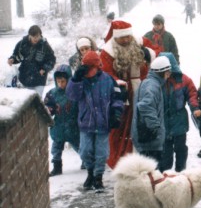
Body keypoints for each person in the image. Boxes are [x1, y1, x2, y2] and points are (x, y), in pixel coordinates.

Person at [100, 20, 156, 169]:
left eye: (128, 37)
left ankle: (139, 156)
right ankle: (121, 159)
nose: (126, 40)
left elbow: (158, 51)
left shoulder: (139, 42)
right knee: (120, 128)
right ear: (115, 37)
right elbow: (106, 73)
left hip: (143, 89)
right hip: (122, 95)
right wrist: (119, 83)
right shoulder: (108, 51)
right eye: (122, 38)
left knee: (142, 125)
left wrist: (149, 54)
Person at [66, 51, 124, 193]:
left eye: (90, 69)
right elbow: (72, 96)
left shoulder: (108, 80)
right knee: (85, 151)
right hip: (86, 123)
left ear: (97, 67)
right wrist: (75, 80)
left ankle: (98, 176)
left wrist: (116, 113)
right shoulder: (81, 80)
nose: (88, 72)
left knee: (101, 152)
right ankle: (90, 173)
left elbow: (117, 97)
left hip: (103, 123)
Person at [158, 52, 201, 172]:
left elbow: (192, 95)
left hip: (179, 120)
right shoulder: (157, 81)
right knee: (165, 150)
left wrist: (195, 108)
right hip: (163, 121)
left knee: (181, 148)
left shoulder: (184, 80)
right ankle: (165, 172)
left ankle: (180, 170)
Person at [131, 56, 172, 166]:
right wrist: (155, 126)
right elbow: (145, 106)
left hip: (145, 136)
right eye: (167, 72)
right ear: (161, 72)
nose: (168, 75)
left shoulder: (148, 82)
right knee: (152, 173)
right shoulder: (152, 85)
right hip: (150, 139)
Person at [44, 64, 81, 176]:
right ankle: (57, 166)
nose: (61, 84)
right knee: (56, 149)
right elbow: (46, 107)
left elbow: (80, 107)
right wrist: (51, 110)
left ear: (68, 80)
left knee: (80, 147)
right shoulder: (52, 94)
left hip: (73, 126)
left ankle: (87, 162)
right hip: (58, 126)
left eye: (63, 81)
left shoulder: (74, 92)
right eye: (58, 81)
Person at [7, 25, 56, 98]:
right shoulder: (22, 43)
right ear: (29, 35)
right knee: (25, 101)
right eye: (34, 36)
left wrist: (45, 68)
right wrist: (12, 59)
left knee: (37, 101)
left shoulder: (45, 45)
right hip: (24, 78)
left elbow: (52, 59)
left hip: (39, 79)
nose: (36, 39)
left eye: (38, 36)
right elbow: (17, 55)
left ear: (40, 35)